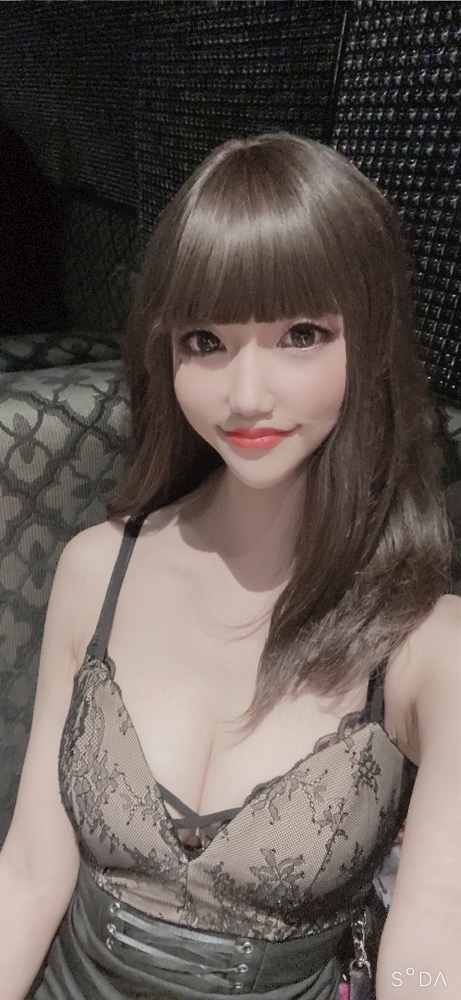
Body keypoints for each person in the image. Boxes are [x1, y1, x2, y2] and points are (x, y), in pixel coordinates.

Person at [0, 132, 459, 1000]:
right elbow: (27, 874)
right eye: (206, 340)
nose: (246, 394)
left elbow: (431, 948)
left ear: (369, 339)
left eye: (299, 334)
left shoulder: (427, 647)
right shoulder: (96, 570)